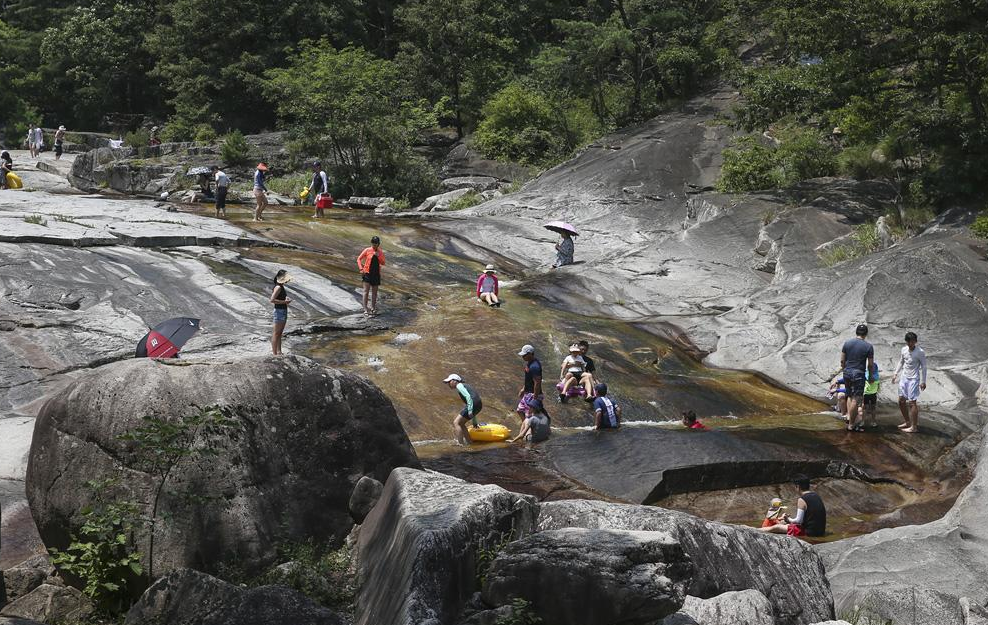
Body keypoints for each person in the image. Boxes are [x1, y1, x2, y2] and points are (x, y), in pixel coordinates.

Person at [758, 475, 827, 538]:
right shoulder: (816, 495)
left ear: (798, 487)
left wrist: (788, 520)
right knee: (785, 524)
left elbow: (798, 521)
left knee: (776, 527)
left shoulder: (802, 499)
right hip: (820, 531)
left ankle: (755, 530)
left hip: (809, 532)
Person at [840, 324, 875, 432]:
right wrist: (871, 376)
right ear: (866, 333)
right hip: (858, 373)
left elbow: (842, 360)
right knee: (856, 398)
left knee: (849, 395)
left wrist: (844, 369)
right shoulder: (868, 346)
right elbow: (870, 364)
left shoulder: (847, 343)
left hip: (847, 372)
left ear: (856, 332)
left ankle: (849, 417)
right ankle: (851, 425)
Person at [892, 331, 928, 434]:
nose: (910, 344)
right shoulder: (904, 349)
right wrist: (895, 373)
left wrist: (923, 381)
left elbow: (924, 366)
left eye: (912, 342)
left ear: (915, 341)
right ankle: (907, 422)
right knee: (901, 400)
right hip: (904, 378)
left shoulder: (920, 352)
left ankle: (914, 427)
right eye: (908, 342)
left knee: (912, 402)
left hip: (914, 379)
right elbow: (901, 361)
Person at [444, 374, 483, 445]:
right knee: (461, 423)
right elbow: (473, 401)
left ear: (454, 381)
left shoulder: (459, 385)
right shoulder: (465, 385)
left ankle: (460, 444)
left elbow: (468, 397)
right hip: (479, 405)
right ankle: (470, 442)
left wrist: (470, 410)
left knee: (456, 422)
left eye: (449, 382)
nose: (448, 384)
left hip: (474, 404)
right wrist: (474, 422)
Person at [357, 236, 385, 316]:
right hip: (367, 273)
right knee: (366, 291)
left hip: (376, 274)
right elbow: (359, 259)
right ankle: (365, 309)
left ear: (378, 244)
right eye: (373, 244)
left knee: (374, 293)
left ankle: (373, 308)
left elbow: (383, 263)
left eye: (376, 244)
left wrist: (378, 256)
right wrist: (361, 269)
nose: (374, 246)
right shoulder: (367, 250)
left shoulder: (380, 252)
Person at [516, 344, 543, 418]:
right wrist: (523, 389)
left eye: (524, 355)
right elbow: (529, 379)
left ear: (530, 354)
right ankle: (525, 426)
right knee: (520, 410)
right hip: (527, 393)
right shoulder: (529, 363)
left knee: (529, 416)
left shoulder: (535, 366)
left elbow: (537, 383)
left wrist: (535, 398)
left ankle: (529, 428)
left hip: (533, 394)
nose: (523, 357)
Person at [270, 270, 292, 356]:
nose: (288, 280)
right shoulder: (278, 287)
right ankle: (275, 353)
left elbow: (279, 297)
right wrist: (285, 302)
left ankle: (279, 352)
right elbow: (272, 300)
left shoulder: (281, 286)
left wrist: (285, 299)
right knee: (276, 333)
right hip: (279, 311)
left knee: (279, 333)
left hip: (282, 311)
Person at [860, 362, 880, 428]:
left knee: (869, 408)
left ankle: (871, 421)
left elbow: (871, 381)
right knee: (868, 407)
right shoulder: (870, 374)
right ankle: (865, 421)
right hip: (867, 393)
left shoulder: (874, 375)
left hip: (871, 393)